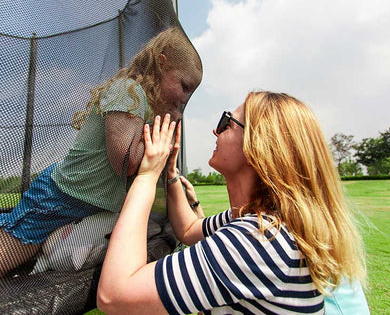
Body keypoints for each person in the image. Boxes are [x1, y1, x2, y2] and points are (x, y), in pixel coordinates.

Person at [97, 91, 368, 314]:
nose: (216, 131)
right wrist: (169, 175)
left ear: (259, 146)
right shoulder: (261, 220)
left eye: (227, 122)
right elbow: (190, 229)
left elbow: (115, 296)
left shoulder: (259, 239)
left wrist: (147, 175)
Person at [0, 26, 202, 277]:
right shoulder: (129, 91)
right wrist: (162, 135)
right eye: (183, 85)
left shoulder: (147, 107)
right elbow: (126, 161)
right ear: (162, 64)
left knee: (25, 251)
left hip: (81, 204)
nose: (185, 98)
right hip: (60, 195)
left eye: (190, 91)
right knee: (7, 254)